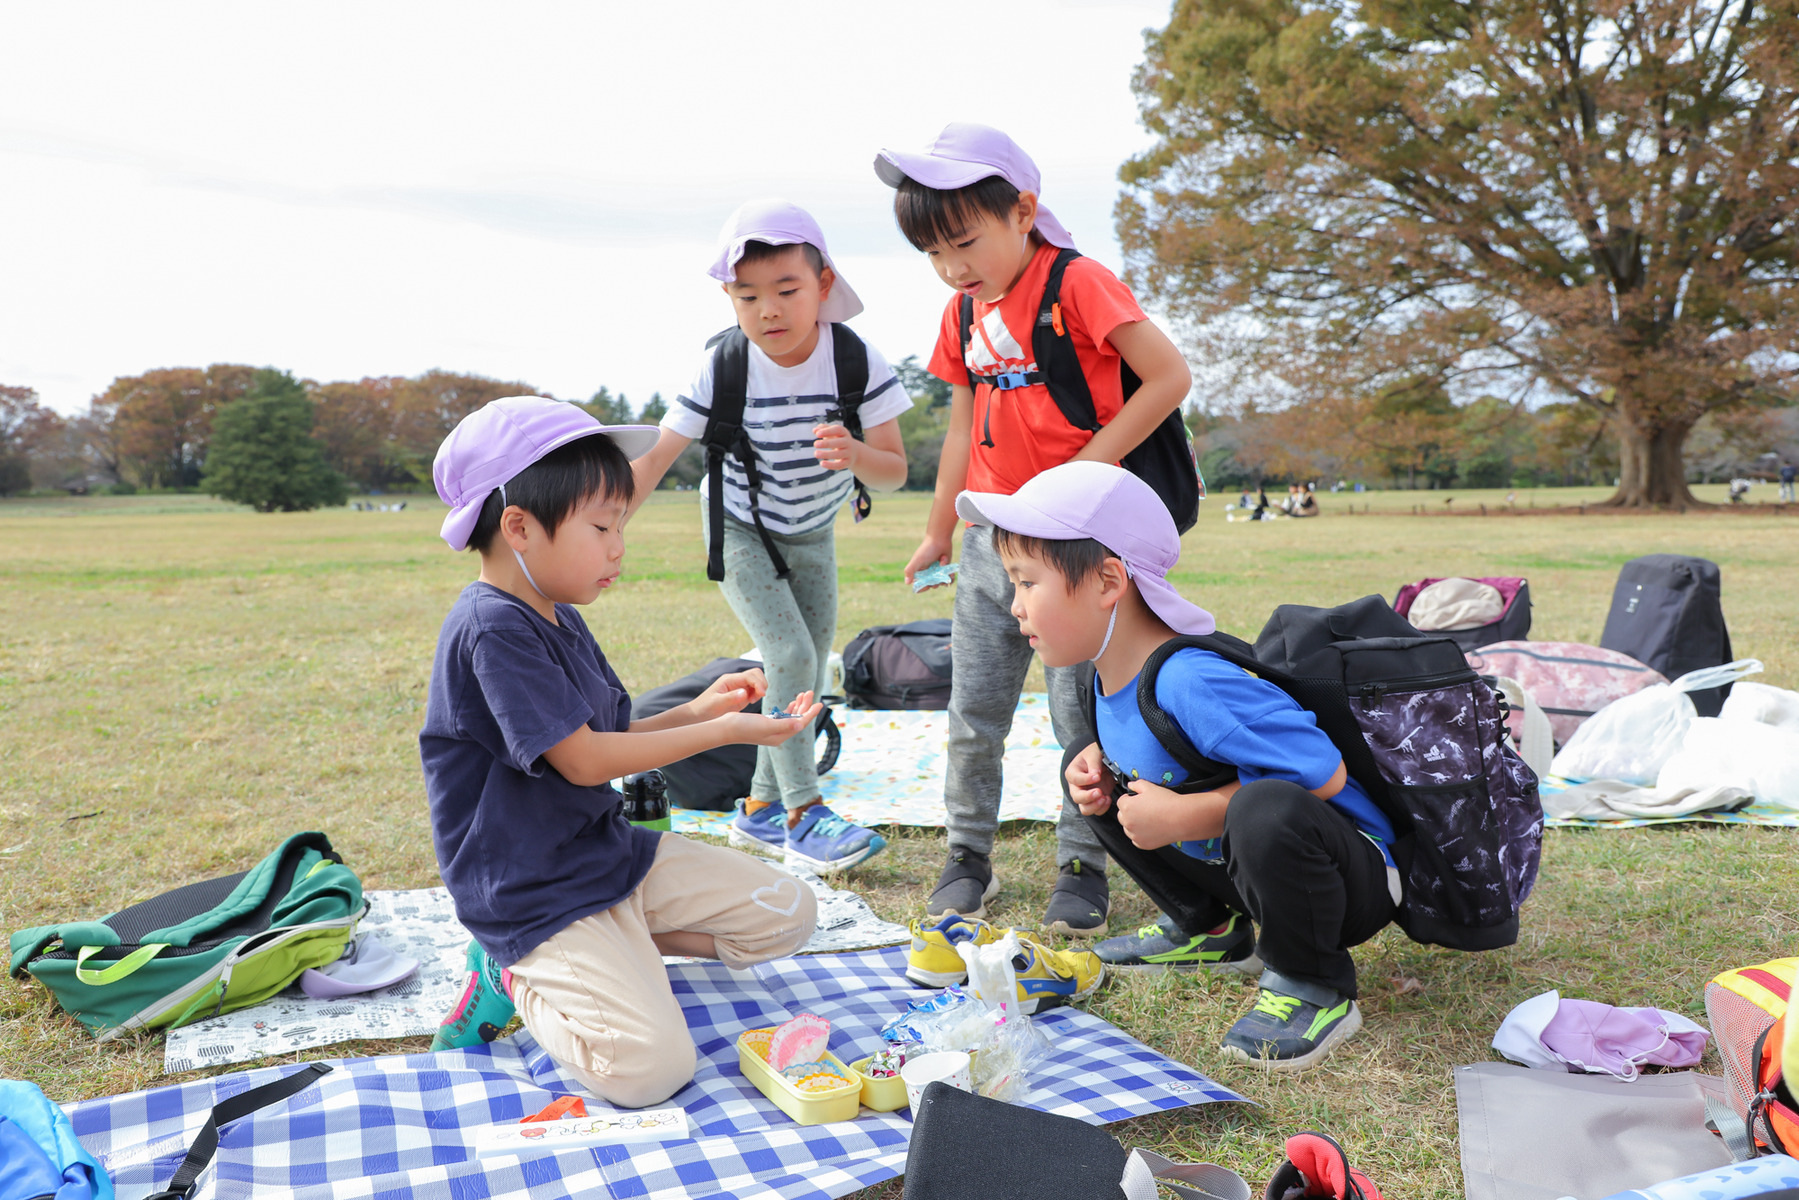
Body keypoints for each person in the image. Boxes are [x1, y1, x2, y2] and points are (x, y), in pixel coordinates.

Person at [421, 396, 823, 1106]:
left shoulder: (556, 612)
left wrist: (701, 708)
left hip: (607, 857)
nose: (617, 547)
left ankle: (619, 948)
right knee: (649, 1072)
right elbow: (583, 762)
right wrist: (725, 732)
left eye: (620, 526)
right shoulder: (492, 628)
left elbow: (611, 735)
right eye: (602, 526)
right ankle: (513, 972)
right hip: (534, 891)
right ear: (518, 527)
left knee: (789, 911)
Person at [956, 460, 1400, 1072]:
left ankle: (1313, 982)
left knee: (1263, 808)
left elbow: (1322, 777)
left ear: (1109, 581)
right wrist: (1102, 764)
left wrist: (1187, 814)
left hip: (1347, 881)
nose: (1014, 607)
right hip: (1249, 871)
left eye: (1028, 583)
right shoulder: (1103, 673)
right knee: (1088, 770)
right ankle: (1210, 929)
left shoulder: (1193, 678)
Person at [877, 123, 1193, 935]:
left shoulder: (1078, 283)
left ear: (1023, 210)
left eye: (963, 242)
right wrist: (938, 526)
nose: (951, 267)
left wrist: (1084, 477)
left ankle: (1085, 861)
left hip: (1073, 543)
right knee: (973, 709)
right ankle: (965, 854)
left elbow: (1167, 376)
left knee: (1077, 716)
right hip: (989, 537)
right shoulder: (961, 310)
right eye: (933, 253)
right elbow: (960, 425)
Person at [630, 200, 911, 874]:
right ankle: (803, 811)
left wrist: (853, 453)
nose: (768, 310)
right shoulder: (724, 365)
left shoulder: (853, 359)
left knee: (808, 669)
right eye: (746, 295)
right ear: (728, 299)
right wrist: (597, 522)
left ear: (822, 285)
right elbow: (657, 458)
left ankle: (757, 811)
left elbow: (896, 471)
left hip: (813, 531)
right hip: (738, 527)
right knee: (787, 654)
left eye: (786, 290)